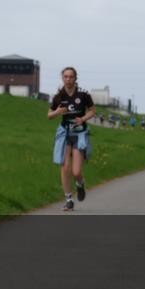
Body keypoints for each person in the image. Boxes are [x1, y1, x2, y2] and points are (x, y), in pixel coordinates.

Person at [48, 67, 96, 211]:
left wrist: (83, 119)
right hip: (65, 134)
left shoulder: (83, 94)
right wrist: (57, 112)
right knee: (65, 168)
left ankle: (80, 183)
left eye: (71, 77)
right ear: (62, 78)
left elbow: (93, 110)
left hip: (79, 134)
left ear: (75, 78)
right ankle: (69, 199)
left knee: (76, 172)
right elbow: (49, 115)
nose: (68, 79)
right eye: (66, 77)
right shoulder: (59, 96)